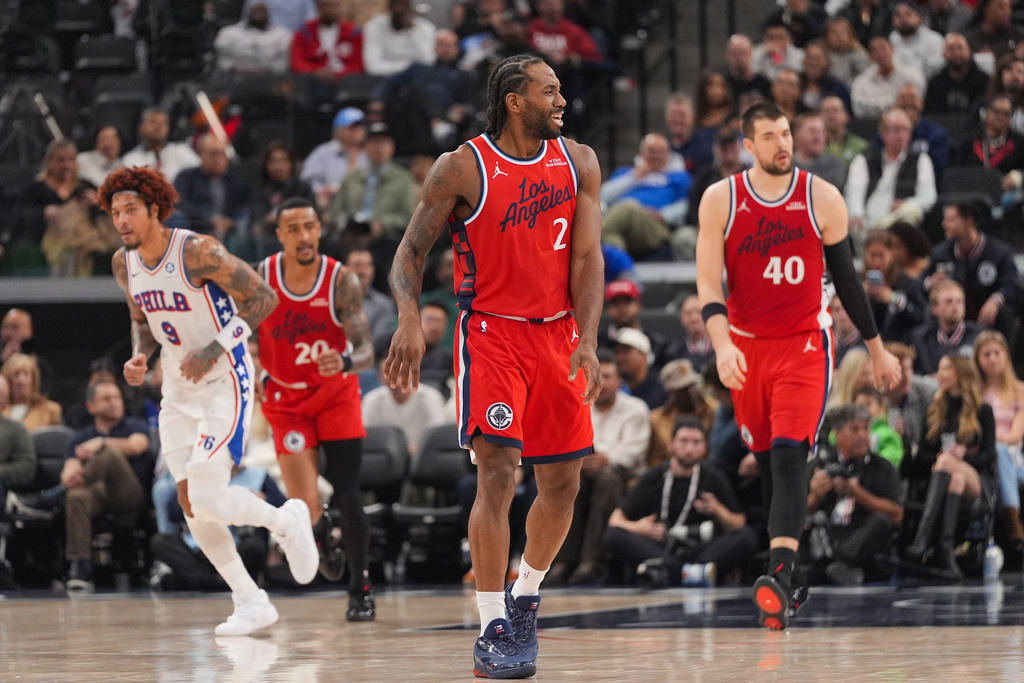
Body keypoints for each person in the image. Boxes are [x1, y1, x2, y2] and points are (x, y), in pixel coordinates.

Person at [384, 54, 604, 678]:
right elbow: (409, 252)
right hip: (492, 334)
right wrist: (407, 317)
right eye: (549, 91)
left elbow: (588, 261)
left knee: (563, 482)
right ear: (514, 99)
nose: (561, 100)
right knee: (499, 474)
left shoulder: (580, 162)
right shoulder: (462, 167)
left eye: (561, 90)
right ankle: (491, 624)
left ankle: (527, 593)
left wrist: (587, 341)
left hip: (559, 335)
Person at [695, 102, 901, 630]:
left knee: (790, 456)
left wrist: (876, 348)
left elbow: (848, 280)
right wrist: (720, 344)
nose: (782, 143)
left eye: (785, 133)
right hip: (745, 347)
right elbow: (708, 284)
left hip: (805, 344)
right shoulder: (722, 199)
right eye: (769, 136)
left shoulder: (820, 196)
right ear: (748, 145)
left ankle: (779, 572)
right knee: (766, 464)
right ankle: (792, 575)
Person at [99, 166, 319, 636]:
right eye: (115, 212)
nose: (122, 220)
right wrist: (141, 355)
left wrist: (216, 347)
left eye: (130, 210)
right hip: (177, 387)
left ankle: (286, 520)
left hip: (226, 376)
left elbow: (263, 299)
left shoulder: (197, 251)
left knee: (207, 490)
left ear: (155, 209)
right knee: (192, 503)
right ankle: (249, 599)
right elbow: (142, 318)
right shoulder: (125, 264)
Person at [255, 196, 377, 618]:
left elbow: (366, 351)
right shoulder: (264, 277)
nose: (304, 236)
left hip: (334, 394)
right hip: (287, 399)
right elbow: (243, 333)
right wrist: (249, 369)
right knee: (303, 506)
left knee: (347, 492)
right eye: (294, 229)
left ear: (319, 229)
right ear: (280, 235)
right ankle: (322, 536)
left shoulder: (341, 279)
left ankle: (360, 584)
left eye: (309, 226)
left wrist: (344, 359)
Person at [603, 415, 758, 588]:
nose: (689, 449)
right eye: (683, 441)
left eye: (696, 442)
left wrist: (717, 509)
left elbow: (739, 523)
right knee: (613, 536)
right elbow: (615, 521)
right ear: (671, 445)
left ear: (704, 447)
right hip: (662, 547)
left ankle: (674, 573)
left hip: (700, 549)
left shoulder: (713, 477)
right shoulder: (654, 476)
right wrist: (638, 527)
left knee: (747, 537)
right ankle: (689, 573)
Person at [547, 351, 650, 586]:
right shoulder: (576, 405)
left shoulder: (635, 408)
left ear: (619, 382)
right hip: (582, 469)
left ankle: (592, 560)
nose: (600, 383)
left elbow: (636, 452)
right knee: (570, 482)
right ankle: (562, 560)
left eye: (608, 376)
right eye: (595, 376)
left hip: (623, 473)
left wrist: (605, 456)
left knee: (608, 479)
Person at [905, 354, 996, 578]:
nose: (940, 375)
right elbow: (924, 456)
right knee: (955, 477)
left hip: (978, 482)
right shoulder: (936, 409)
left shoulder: (982, 410)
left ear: (962, 374)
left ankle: (922, 540)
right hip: (949, 480)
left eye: (947, 369)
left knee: (949, 463)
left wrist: (962, 456)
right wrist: (942, 455)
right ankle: (946, 553)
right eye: (939, 369)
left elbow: (990, 456)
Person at [60, 380, 152, 591]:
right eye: (106, 398)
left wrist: (102, 442)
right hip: (98, 495)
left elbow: (137, 446)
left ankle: (52, 495)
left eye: (117, 397)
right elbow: (69, 469)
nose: (114, 402)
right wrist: (67, 477)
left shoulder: (135, 425)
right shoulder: (80, 437)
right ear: (91, 406)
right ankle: (81, 567)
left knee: (110, 455)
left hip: (130, 493)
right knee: (76, 496)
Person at [805, 403, 904, 585]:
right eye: (854, 429)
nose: (862, 435)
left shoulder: (883, 467)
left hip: (862, 538)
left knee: (881, 521)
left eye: (865, 429)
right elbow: (800, 513)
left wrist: (857, 493)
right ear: (838, 435)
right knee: (811, 523)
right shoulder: (821, 465)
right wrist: (815, 494)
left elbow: (897, 514)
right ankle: (840, 568)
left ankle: (835, 564)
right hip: (830, 534)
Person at [922, 199, 1022, 342]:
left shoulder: (999, 252)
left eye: (951, 219)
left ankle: (1005, 359)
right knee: (932, 310)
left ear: (968, 221)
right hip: (955, 311)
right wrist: (931, 283)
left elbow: (1013, 285)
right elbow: (921, 281)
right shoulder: (940, 253)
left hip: (986, 312)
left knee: (1005, 312)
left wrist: (995, 300)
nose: (944, 224)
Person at [845, 108, 937, 236]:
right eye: (896, 130)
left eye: (906, 130)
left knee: (911, 212)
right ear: (883, 134)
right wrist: (857, 214)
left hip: (901, 223)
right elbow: (855, 192)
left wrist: (907, 204)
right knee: (854, 223)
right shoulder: (864, 160)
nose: (901, 135)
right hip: (869, 224)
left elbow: (928, 196)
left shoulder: (921, 159)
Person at [598, 133, 692, 260]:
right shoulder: (625, 173)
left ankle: (595, 233)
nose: (657, 156)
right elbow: (603, 195)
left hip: (655, 227)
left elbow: (687, 204)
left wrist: (664, 214)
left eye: (661, 152)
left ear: (668, 155)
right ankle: (622, 273)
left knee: (628, 207)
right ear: (641, 153)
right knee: (611, 236)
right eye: (652, 152)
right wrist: (633, 177)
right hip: (623, 224)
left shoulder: (678, 177)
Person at [974, 330, 1024, 559]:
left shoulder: (1019, 390)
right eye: (986, 354)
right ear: (978, 359)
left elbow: (1016, 433)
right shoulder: (975, 394)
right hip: (983, 457)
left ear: (1006, 356)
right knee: (996, 453)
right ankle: (1012, 524)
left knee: (1002, 451)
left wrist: (993, 442)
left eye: (997, 353)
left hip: (1014, 456)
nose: (993, 358)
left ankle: (1012, 521)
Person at [861, 228, 928, 344]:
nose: (876, 262)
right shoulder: (858, 282)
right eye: (872, 256)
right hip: (865, 344)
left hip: (899, 343)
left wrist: (894, 299)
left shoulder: (907, 282)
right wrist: (859, 297)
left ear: (891, 254)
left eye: (881, 256)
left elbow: (921, 317)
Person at [299, 107, 369, 214]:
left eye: (360, 126)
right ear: (338, 129)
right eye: (351, 127)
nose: (356, 130)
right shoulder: (323, 153)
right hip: (330, 207)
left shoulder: (369, 155)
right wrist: (321, 190)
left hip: (363, 207)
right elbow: (306, 181)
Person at [911, 279, 984, 375]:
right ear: (934, 308)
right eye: (948, 302)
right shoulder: (921, 338)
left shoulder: (979, 336)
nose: (955, 306)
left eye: (959, 301)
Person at [850, 36, 925, 121]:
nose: (880, 53)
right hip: (875, 125)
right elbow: (859, 110)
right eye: (875, 50)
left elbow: (917, 102)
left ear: (892, 49)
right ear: (870, 56)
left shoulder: (911, 75)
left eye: (883, 47)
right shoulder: (861, 82)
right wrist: (895, 104)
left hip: (911, 121)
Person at [121, 109, 200, 184]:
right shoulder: (130, 159)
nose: (158, 127)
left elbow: (200, 173)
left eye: (163, 123)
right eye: (153, 122)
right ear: (141, 128)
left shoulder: (181, 151)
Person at [289, 0, 364, 79]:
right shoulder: (304, 32)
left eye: (333, 6)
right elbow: (297, 62)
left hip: (345, 82)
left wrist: (338, 74)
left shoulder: (353, 33)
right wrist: (315, 71)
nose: (329, 10)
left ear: (340, 8)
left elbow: (358, 65)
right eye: (325, 6)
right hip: (312, 81)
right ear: (318, 8)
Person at [213, 2, 293, 74]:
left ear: (268, 13)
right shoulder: (228, 33)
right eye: (255, 11)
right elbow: (222, 59)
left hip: (269, 79)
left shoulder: (282, 34)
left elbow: (283, 62)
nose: (258, 14)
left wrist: (268, 69)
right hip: (234, 77)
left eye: (261, 11)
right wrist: (235, 68)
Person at [362, 0, 437, 77]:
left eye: (402, 4)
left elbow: (428, 62)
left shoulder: (426, 28)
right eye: (395, 4)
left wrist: (412, 32)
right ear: (388, 7)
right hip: (383, 79)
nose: (398, 9)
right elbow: (373, 67)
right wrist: (411, 68)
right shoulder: (374, 27)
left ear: (409, 6)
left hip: (417, 80)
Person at [924, 33, 991, 116]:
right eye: (951, 48)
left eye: (960, 48)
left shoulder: (984, 80)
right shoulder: (935, 83)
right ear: (944, 54)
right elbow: (932, 114)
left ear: (969, 51)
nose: (956, 52)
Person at [0, 353, 61, 431]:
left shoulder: (51, 410)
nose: (21, 381)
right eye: (16, 375)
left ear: (34, 380)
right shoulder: (1, 409)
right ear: (7, 381)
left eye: (26, 374)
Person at [890, 1, 946, 81]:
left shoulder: (935, 40)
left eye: (908, 14)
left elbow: (935, 72)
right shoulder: (893, 38)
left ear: (919, 18)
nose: (903, 18)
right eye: (898, 15)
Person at [793, 112, 847, 190]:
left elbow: (826, 189)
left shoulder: (834, 165)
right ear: (796, 135)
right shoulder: (785, 165)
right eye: (812, 131)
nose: (818, 136)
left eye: (822, 132)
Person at [821, 95, 869, 169]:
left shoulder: (860, 146)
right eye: (826, 111)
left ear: (846, 116)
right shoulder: (814, 146)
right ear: (820, 116)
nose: (831, 115)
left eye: (835, 110)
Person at [724, 34, 772, 102]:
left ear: (751, 53)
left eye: (742, 53)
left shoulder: (764, 84)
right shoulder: (724, 84)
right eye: (734, 54)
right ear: (727, 56)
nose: (739, 58)